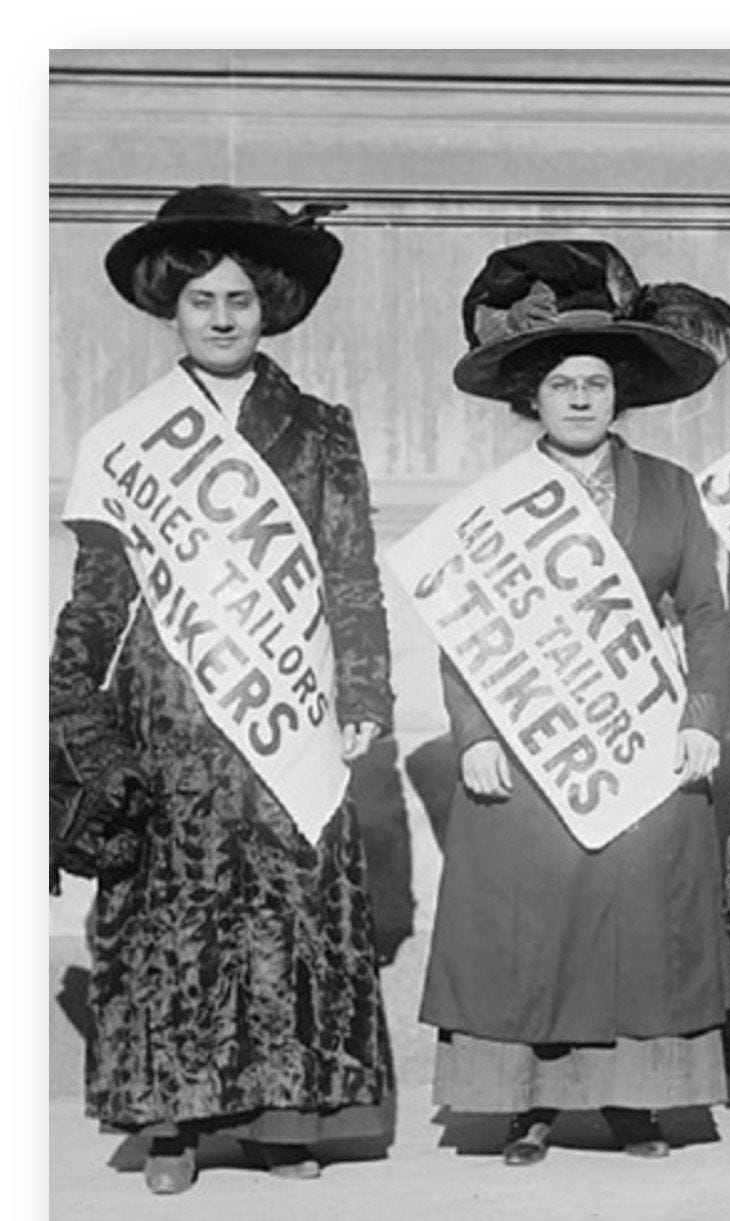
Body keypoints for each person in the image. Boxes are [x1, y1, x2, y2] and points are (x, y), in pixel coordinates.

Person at [49, 185, 396, 1193]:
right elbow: (98, 598)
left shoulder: (323, 429)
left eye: (239, 298)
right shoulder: (124, 440)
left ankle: (285, 1119)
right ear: (173, 308)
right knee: (172, 920)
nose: (221, 315)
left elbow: (352, 572)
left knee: (285, 917)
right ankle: (174, 1130)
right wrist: (75, 717)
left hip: (293, 709)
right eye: (201, 299)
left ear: (269, 306)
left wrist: (364, 690)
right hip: (171, 715)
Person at [416, 240, 730, 1165]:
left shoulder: (673, 491)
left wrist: (699, 718)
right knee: (536, 911)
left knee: (641, 913)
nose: (581, 398)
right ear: (531, 399)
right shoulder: (496, 502)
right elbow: (463, 625)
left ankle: (639, 1101)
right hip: (531, 734)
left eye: (596, 381)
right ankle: (529, 1104)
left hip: (639, 733)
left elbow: (709, 616)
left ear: (620, 392)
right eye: (561, 384)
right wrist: (473, 732)